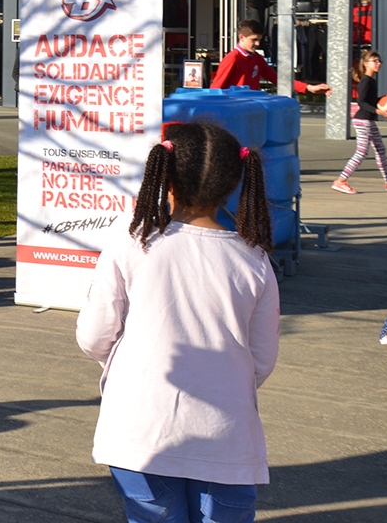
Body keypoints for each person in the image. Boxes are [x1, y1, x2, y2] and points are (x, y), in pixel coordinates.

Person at [76, 123, 280, 523]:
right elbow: (262, 358)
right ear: (235, 182)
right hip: (227, 433)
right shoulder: (254, 260)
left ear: (163, 177)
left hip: (141, 429)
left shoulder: (132, 242)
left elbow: (94, 335)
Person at [333, 49, 387, 194]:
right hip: (363, 121)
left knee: (380, 149)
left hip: (368, 120)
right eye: (375, 61)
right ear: (366, 64)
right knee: (361, 152)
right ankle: (340, 181)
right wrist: (380, 111)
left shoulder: (371, 81)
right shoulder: (366, 81)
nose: (378, 63)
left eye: (379, 61)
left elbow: (369, 101)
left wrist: (381, 101)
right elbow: (361, 102)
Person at [211, 18, 331, 95]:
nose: (257, 44)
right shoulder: (233, 58)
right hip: (234, 107)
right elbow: (216, 87)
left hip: (249, 106)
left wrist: (309, 87)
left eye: (259, 40)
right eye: (254, 40)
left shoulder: (256, 58)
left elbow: (277, 78)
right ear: (241, 37)